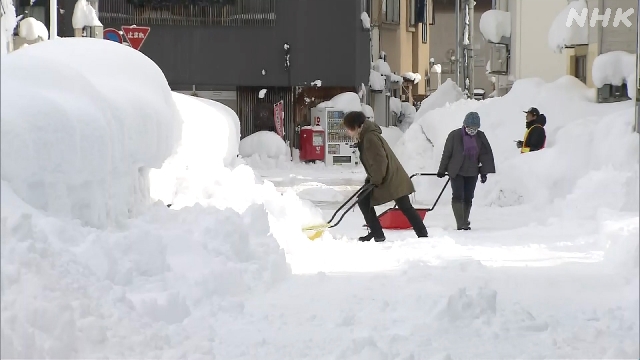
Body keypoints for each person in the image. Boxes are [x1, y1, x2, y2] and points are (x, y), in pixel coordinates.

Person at [342, 111, 429, 242]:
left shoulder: (369, 138)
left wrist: (375, 180)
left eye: (348, 128)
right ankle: (422, 233)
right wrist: (369, 179)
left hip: (388, 178)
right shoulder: (367, 135)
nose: (347, 132)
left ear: (355, 126)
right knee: (405, 206)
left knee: (364, 200)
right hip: (391, 176)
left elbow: (380, 161)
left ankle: (377, 234)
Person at [437, 111, 495, 230]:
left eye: (475, 128)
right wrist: (442, 169)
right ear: (464, 125)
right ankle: (460, 223)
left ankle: (464, 220)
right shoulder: (454, 135)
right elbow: (446, 153)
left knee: (469, 197)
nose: (472, 130)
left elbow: (484, 155)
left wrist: (484, 172)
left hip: (472, 172)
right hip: (457, 171)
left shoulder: (480, 137)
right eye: (469, 127)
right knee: (458, 196)